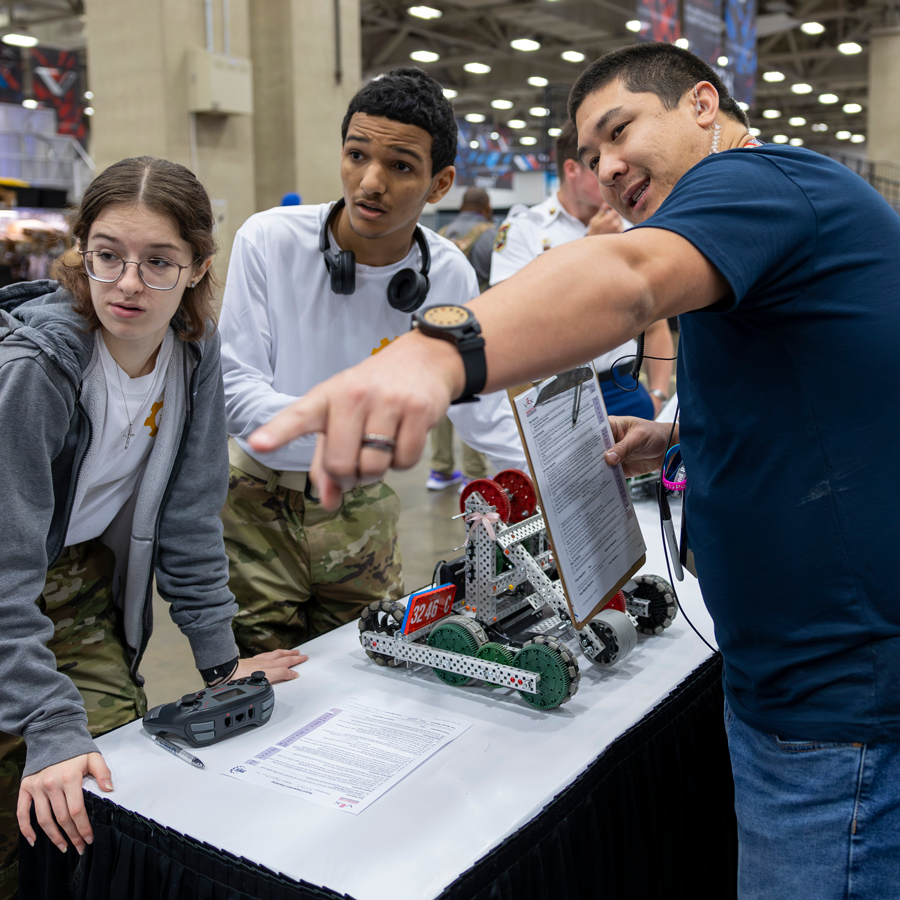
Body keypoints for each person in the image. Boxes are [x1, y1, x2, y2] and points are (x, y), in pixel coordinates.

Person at [249, 42, 900, 900]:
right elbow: (814, 386)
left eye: (621, 129)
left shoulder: (751, 184)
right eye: (591, 154)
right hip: (796, 675)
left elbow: (626, 279)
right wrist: (680, 438)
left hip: (834, 701)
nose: (607, 168)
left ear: (704, 105)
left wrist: (434, 356)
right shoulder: (767, 211)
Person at [0, 157, 306, 899]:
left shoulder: (194, 352)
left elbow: (190, 521)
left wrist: (220, 666)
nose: (129, 283)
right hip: (12, 580)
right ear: (82, 252)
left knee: (107, 779)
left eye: (159, 261)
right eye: (107, 256)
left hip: (72, 578)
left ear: (199, 267)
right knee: (38, 795)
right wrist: (47, 720)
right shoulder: (35, 370)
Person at [218, 67, 526, 658]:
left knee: (375, 665)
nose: (371, 182)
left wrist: (568, 472)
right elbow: (238, 392)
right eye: (357, 154)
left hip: (363, 507)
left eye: (401, 166)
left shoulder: (449, 275)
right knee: (262, 683)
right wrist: (357, 427)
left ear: (440, 185)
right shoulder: (269, 241)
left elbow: (481, 413)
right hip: (256, 504)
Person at [490, 120, 674, 419]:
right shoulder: (525, 229)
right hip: (555, 394)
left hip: (624, 388)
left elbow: (655, 325)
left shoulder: (633, 227)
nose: (612, 172)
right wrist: (591, 248)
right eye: (595, 163)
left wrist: (657, 394)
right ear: (571, 170)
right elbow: (512, 320)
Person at [427, 185, 495, 491]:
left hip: (438, 328)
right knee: (473, 397)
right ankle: (474, 473)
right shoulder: (490, 235)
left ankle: (440, 470)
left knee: (442, 395)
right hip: (476, 329)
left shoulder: (438, 234)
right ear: (487, 208)